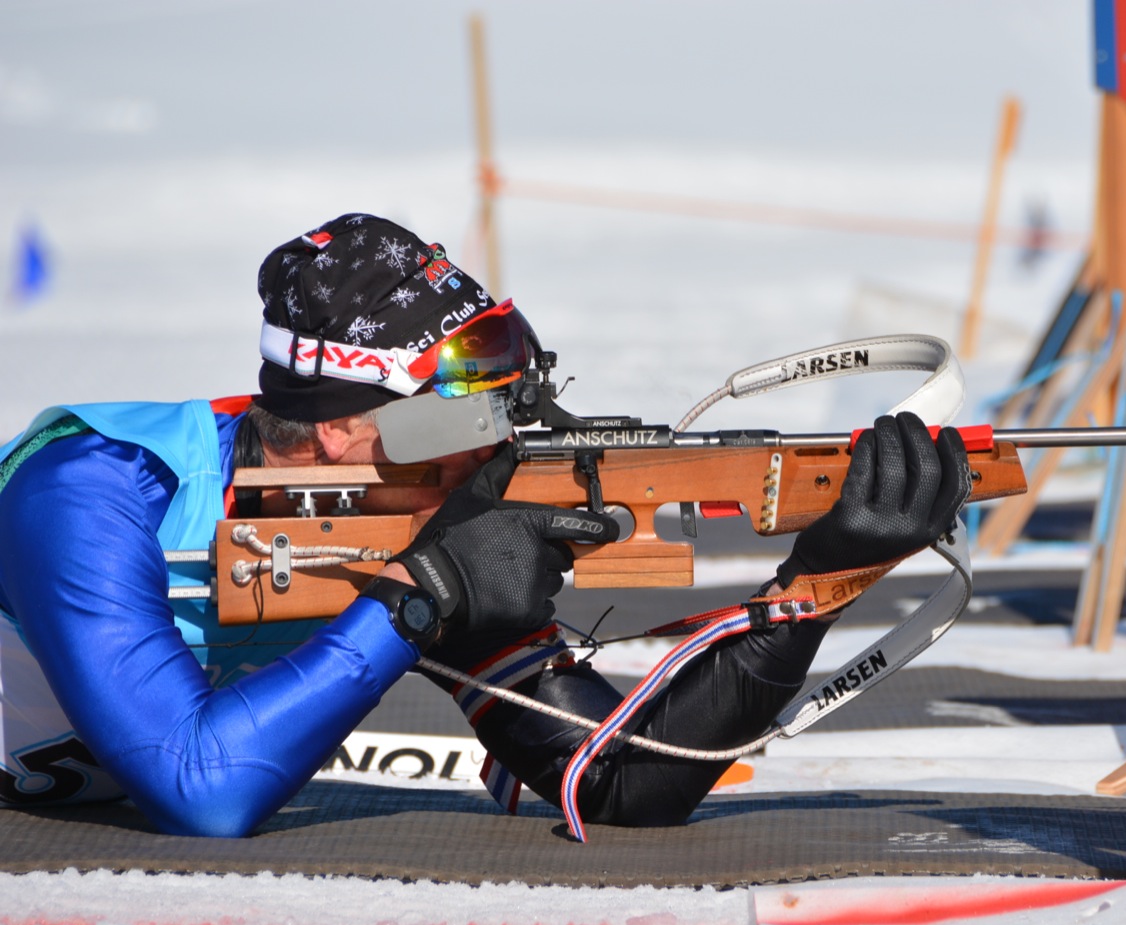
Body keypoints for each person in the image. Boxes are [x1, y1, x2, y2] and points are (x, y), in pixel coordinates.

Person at [0, 212, 970, 838]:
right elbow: (202, 788)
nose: (497, 441)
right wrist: (416, 602)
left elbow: (620, 783)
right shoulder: (90, 488)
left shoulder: (411, 512)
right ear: (341, 428)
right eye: (465, 414)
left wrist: (814, 590)